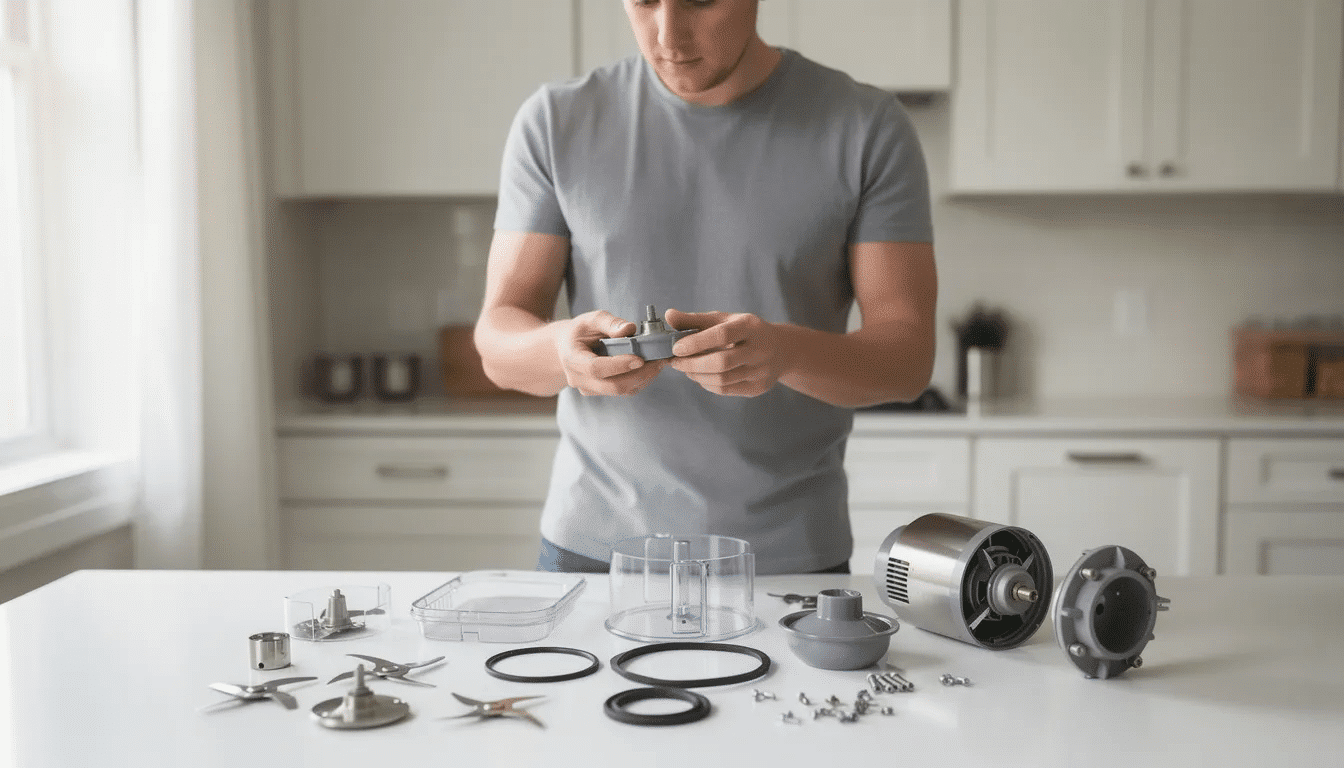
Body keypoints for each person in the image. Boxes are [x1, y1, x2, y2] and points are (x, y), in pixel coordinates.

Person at [474, 0, 937, 575]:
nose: (668, 34)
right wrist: (562, 353)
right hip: (593, 555)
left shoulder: (867, 127)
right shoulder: (554, 122)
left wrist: (785, 353)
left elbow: (908, 358)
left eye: (699, 1)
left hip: (786, 565)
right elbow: (498, 340)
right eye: (644, 1)